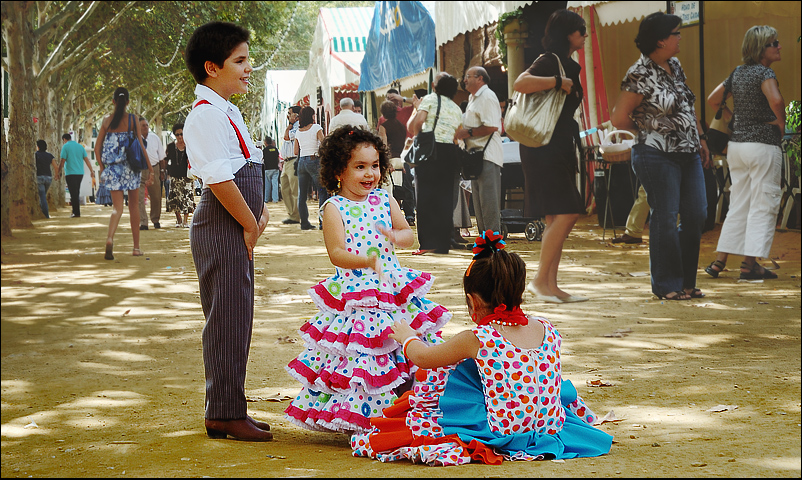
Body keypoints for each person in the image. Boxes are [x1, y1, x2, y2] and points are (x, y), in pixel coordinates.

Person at [352, 231, 613, 465]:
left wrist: (407, 336)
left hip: (502, 430)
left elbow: (425, 358)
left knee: (433, 395)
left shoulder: (477, 337)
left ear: (472, 301)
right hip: (550, 426)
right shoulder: (547, 327)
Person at [284, 126, 451, 433]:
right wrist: (368, 261)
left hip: (393, 292)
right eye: (359, 167)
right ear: (338, 171)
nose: (369, 174)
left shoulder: (385, 199)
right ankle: (362, 415)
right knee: (362, 355)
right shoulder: (334, 208)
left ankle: (412, 406)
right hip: (356, 295)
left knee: (401, 346)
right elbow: (336, 253)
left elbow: (408, 235)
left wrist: (396, 235)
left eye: (374, 165)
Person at [183, 21, 271, 441]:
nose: (248, 67)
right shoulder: (204, 117)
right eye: (240, 60)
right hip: (223, 226)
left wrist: (260, 213)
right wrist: (250, 222)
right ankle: (222, 412)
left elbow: (245, 170)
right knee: (226, 321)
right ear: (212, 67)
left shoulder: (227, 109)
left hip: (236, 225)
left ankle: (232, 406)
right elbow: (220, 181)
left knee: (238, 318)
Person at [611, 12, 710, 300]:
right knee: (665, 217)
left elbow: (688, 107)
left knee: (696, 215)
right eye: (676, 33)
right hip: (656, 154)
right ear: (660, 41)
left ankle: (686, 282)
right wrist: (647, 130)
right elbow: (619, 118)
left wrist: (701, 138)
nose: (680, 37)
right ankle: (667, 284)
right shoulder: (638, 73)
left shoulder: (675, 66)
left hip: (688, 151)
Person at [512, 9, 589, 303]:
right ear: (567, 33)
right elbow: (520, 84)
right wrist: (557, 82)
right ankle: (540, 282)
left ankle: (550, 285)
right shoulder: (550, 61)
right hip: (544, 146)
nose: (584, 35)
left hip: (557, 144)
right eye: (580, 30)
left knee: (556, 214)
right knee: (568, 211)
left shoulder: (566, 63)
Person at [704, 25, 785, 281]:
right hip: (762, 145)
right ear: (762, 49)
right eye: (775, 43)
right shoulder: (765, 73)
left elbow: (713, 100)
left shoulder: (737, 72)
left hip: (737, 147)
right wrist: (781, 123)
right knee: (763, 204)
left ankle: (720, 261)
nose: (779, 46)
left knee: (739, 203)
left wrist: (734, 118)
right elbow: (776, 100)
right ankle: (750, 265)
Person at [408, 72, 463, 255]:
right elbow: (458, 133)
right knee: (445, 199)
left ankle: (427, 243)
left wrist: (418, 136)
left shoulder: (431, 99)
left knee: (425, 197)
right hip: (449, 152)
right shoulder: (456, 108)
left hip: (430, 151)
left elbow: (420, 121)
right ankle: (442, 244)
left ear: (435, 86)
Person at [95, 87, 153, 260]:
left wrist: (102, 167)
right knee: (134, 206)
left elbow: (97, 148)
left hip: (113, 169)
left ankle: (110, 238)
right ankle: (136, 248)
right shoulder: (133, 119)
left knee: (117, 208)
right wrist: (150, 169)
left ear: (113, 101)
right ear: (127, 102)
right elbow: (141, 146)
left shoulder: (106, 121)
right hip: (131, 169)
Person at [455, 66, 503, 234]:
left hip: (487, 154)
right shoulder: (473, 97)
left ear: (480, 78)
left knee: (489, 203)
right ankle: (484, 241)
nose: (465, 80)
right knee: (479, 203)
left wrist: (466, 132)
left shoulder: (487, 97)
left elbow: (493, 127)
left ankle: (493, 245)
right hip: (475, 156)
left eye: (468, 76)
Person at [378, 100, 415, 223]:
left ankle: (392, 216)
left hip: (391, 160)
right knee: (404, 188)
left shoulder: (384, 127)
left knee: (390, 190)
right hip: (402, 159)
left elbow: (383, 144)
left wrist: (385, 161)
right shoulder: (401, 126)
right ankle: (409, 216)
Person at [294, 106, 326, 230]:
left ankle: (304, 223)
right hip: (314, 160)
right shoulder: (316, 128)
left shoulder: (298, 131)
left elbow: (295, 151)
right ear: (311, 116)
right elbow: (323, 144)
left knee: (302, 194)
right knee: (322, 191)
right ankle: (322, 222)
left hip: (302, 161)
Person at [55, 133, 95, 218]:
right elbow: (87, 160)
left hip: (70, 173)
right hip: (80, 173)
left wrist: (58, 172)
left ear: (64, 139)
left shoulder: (65, 147)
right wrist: (92, 171)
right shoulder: (80, 147)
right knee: (75, 191)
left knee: (74, 193)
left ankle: (76, 212)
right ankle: (75, 211)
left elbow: (62, 161)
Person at [164, 123, 195, 228]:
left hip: (187, 177)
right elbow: (166, 160)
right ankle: (179, 220)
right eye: (177, 135)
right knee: (175, 199)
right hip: (174, 176)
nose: (180, 137)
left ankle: (186, 221)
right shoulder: (171, 147)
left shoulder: (190, 146)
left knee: (187, 198)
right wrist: (165, 173)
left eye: (181, 134)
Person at [138, 116, 166, 230]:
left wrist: (162, 171)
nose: (146, 127)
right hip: (139, 170)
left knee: (155, 197)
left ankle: (155, 220)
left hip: (154, 169)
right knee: (139, 198)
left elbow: (162, 157)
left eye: (146, 125)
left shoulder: (155, 138)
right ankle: (143, 222)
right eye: (143, 125)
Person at [280, 105, 302, 224]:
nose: (288, 115)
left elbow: (287, 137)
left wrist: (289, 126)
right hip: (286, 161)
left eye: (290, 113)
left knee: (294, 189)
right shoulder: (291, 126)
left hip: (294, 160)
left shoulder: (298, 127)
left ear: (296, 115)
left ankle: (296, 216)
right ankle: (291, 214)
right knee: (285, 188)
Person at [35, 139, 58, 218]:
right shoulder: (49, 155)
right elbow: (55, 166)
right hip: (48, 178)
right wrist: (56, 175)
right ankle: (43, 212)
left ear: (38, 146)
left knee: (42, 197)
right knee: (43, 196)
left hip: (39, 177)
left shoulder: (35, 154)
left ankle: (45, 214)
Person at [262, 136, 280, 203]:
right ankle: (275, 199)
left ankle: (266, 199)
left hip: (267, 169)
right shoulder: (275, 149)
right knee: (275, 184)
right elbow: (278, 158)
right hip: (275, 168)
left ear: (265, 142)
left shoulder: (265, 150)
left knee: (267, 185)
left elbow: (262, 159)